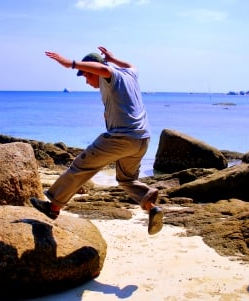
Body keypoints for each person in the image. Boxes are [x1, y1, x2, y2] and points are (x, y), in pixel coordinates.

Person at [31, 46, 163, 235]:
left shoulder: (110, 75)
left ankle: (53, 208)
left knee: (81, 166)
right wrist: (114, 57)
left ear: (95, 68)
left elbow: (104, 69)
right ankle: (152, 208)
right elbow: (132, 65)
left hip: (122, 138)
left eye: (86, 75)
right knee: (127, 180)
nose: (86, 80)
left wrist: (70, 63)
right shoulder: (129, 74)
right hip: (142, 139)